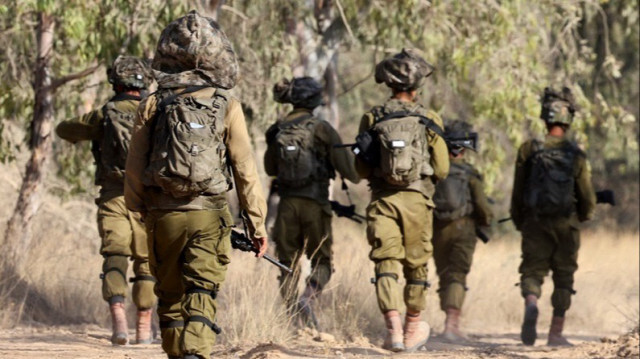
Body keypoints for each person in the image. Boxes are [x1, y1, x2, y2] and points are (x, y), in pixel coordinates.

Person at [124, 11, 268, 359]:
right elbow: (245, 170)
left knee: (170, 294)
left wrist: (139, 208)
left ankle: (178, 353)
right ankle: (197, 352)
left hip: (164, 214)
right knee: (202, 288)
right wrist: (257, 224)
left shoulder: (152, 103)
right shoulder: (226, 104)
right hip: (209, 215)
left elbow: (134, 165)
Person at [55, 56, 156, 345]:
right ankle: (144, 327)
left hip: (114, 195)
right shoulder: (155, 112)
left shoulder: (105, 114)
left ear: (117, 81)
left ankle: (119, 321)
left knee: (115, 254)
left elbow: (65, 129)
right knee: (146, 261)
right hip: (148, 199)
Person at [354, 49, 450, 352]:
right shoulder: (430, 118)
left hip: (383, 202)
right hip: (418, 202)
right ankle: (412, 330)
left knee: (386, 263)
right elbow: (444, 169)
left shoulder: (372, 117)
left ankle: (393, 330)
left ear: (389, 84)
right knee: (417, 266)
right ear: (416, 86)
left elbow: (360, 168)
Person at [263, 77, 359, 327]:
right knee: (321, 260)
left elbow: (269, 167)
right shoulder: (323, 129)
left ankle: (294, 318)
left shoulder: (278, 129)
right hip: (315, 204)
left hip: (286, 206)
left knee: (286, 263)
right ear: (314, 100)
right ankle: (309, 296)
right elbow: (350, 171)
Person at [510, 87, 596, 347]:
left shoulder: (529, 149)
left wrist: (519, 220)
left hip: (535, 222)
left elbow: (518, 189)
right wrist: (583, 215)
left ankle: (531, 303)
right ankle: (555, 333)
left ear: (544, 118)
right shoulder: (575, 154)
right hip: (565, 224)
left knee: (532, 271)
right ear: (568, 120)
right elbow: (586, 197)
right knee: (564, 275)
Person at [432, 120, 493, 343]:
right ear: (464, 146)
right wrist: (487, 220)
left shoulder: (435, 172)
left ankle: (447, 324)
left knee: (443, 275)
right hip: (463, 229)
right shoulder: (470, 173)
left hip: (437, 231)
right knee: (457, 275)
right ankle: (451, 325)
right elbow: (483, 208)